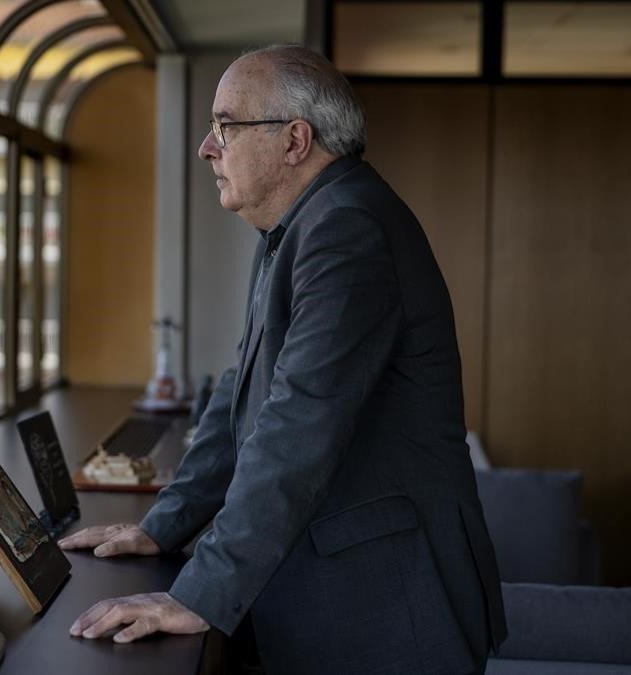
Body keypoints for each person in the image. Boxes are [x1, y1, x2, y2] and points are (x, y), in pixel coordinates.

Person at [60, 45, 507, 674]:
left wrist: (199, 592)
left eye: (224, 127)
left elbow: (298, 425)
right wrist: (164, 524)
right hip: (343, 589)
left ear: (295, 140)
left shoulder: (346, 229)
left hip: (388, 606)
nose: (207, 148)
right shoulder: (296, 227)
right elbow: (242, 395)